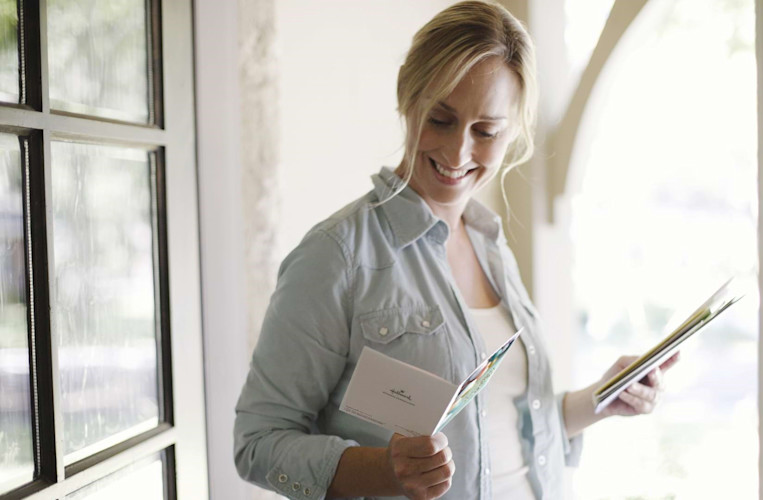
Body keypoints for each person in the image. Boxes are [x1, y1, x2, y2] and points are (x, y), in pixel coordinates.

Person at [234, 2, 679, 499]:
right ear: (408, 93)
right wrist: (384, 469)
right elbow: (259, 443)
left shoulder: (491, 246)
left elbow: (501, 427)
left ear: (512, 131)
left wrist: (599, 399)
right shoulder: (336, 256)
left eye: (486, 131)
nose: (458, 153)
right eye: (440, 119)